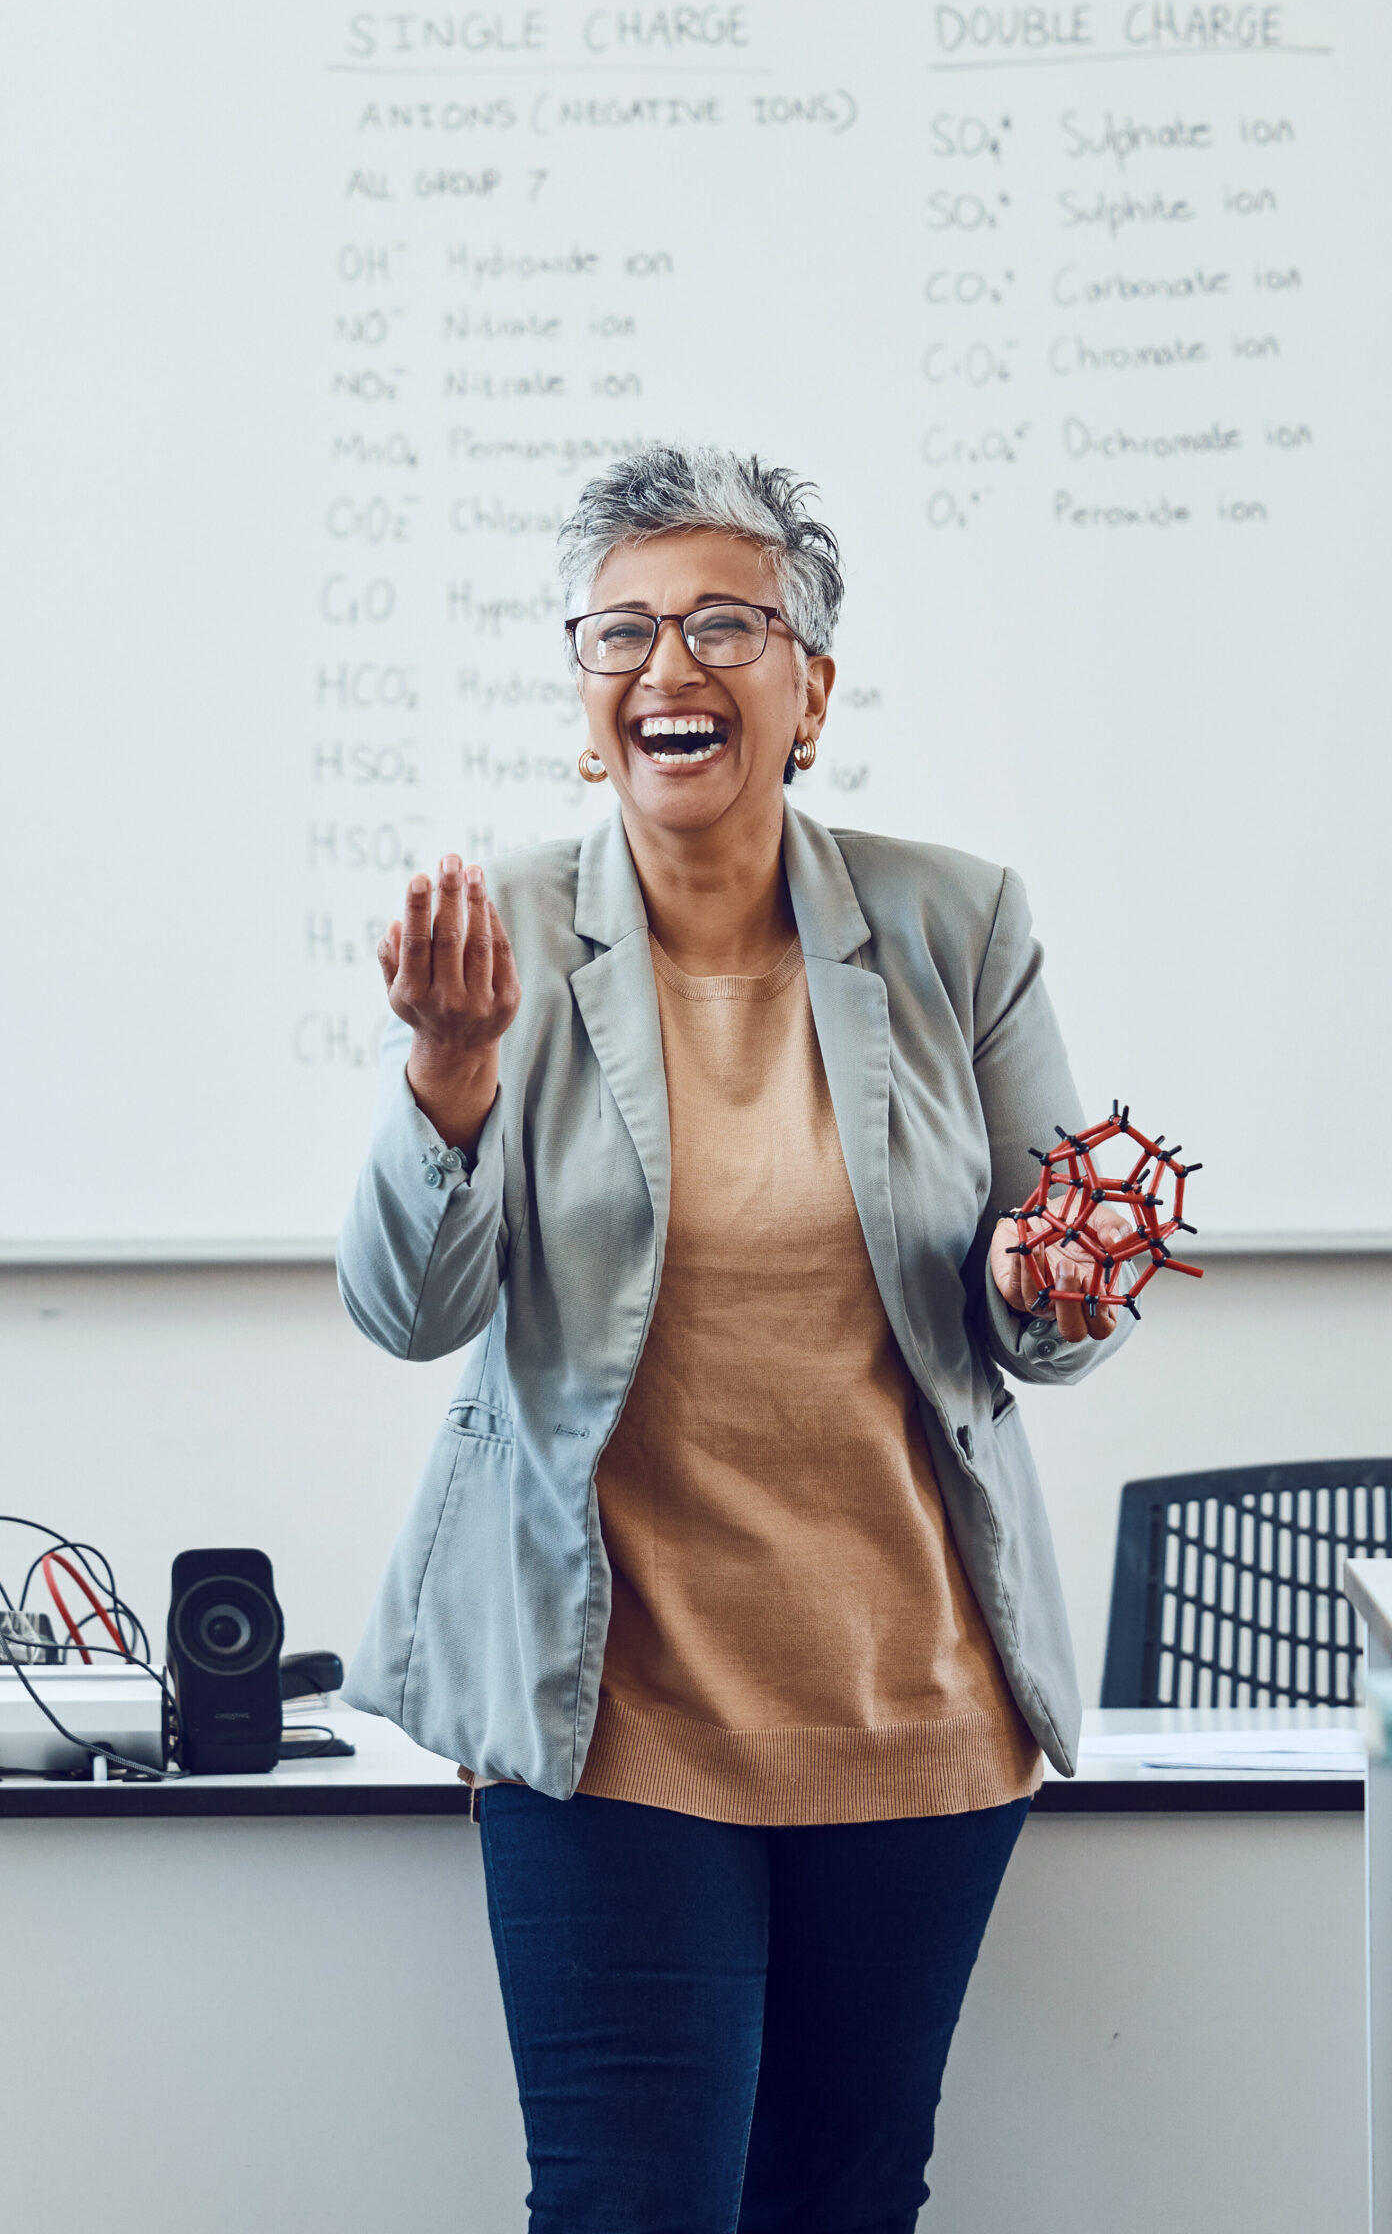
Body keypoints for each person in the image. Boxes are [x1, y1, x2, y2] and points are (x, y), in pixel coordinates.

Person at [338, 444, 1133, 2234]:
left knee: (843, 2207)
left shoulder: (956, 924)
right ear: (579, 696)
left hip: (909, 1711)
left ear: (813, 691)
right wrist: (448, 1080)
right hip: (606, 1713)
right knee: (630, 2206)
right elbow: (411, 1312)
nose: (667, 670)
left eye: (724, 625)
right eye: (620, 633)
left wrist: (1057, 1278)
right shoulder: (510, 939)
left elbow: (1050, 1317)